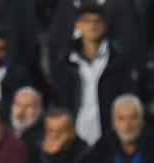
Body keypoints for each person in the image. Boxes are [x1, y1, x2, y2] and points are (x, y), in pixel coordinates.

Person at [50, 3, 139, 147]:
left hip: (109, 139)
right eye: (86, 21)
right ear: (78, 25)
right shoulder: (65, 64)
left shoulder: (119, 63)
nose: (92, 26)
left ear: (105, 25)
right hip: (73, 139)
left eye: (97, 21)